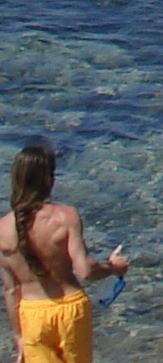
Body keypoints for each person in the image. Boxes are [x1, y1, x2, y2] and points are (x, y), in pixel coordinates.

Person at [4, 142, 125, 363]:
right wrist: (113, 268)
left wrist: (18, 336)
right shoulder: (66, 216)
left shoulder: (2, 229)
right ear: (49, 179)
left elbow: (11, 290)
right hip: (70, 309)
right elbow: (86, 271)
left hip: (32, 315)